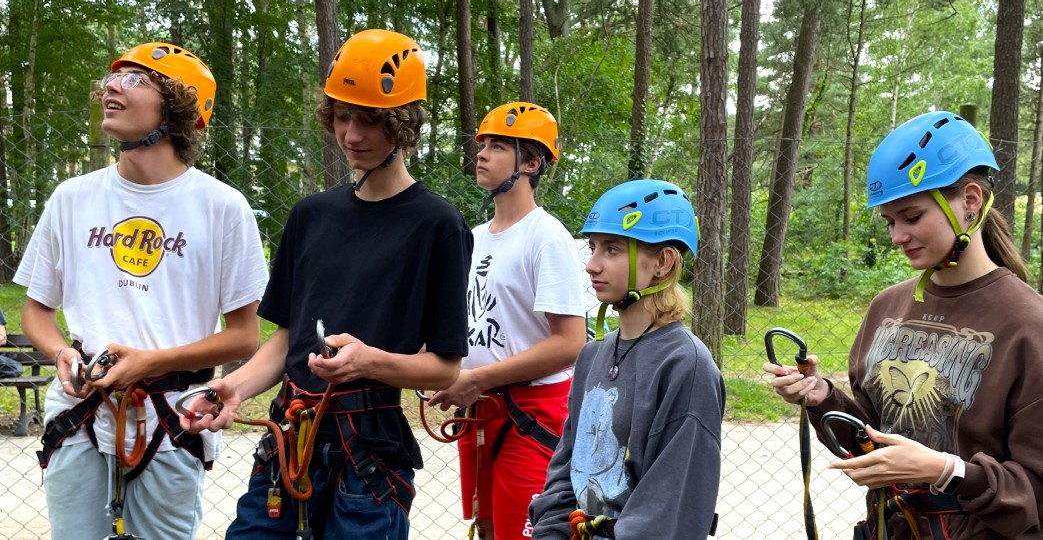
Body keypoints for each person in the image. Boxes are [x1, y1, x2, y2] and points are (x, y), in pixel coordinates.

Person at [181, 29, 473, 540]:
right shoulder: (311, 216)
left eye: (370, 120)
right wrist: (235, 386)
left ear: (402, 125)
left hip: (369, 456)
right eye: (343, 116)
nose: (352, 134)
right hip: (289, 444)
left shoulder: (438, 226)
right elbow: (287, 340)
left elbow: (444, 366)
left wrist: (367, 362)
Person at [14, 42, 268, 540]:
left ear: (177, 106)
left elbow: (244, 337)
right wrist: (60, 351)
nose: (111, 87)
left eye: (134, 80)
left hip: (172, 420)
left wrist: (152, 362)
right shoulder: (72, 198)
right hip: (81, 414)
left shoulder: (221, 207)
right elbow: (36, 312)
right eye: (110, 80)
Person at [764, 110, 1043, 539]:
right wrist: (821, 397)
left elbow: (1034, 494)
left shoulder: (1028, 324)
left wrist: (945, 471)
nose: (897, 236)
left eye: (911, 217)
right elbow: (873, 439)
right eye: (890, 222)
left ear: (969, 200)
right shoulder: (887, 308)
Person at [426, 102, 587, 539]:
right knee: (491, 524)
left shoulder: (547, 237)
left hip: (531, 410)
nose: (481, 154)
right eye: (482, 145)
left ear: (532, 162)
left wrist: (480, 379)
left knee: (524, 531)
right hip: (479, 406)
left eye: (498, 146)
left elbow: (571, 342)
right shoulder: (473, 238)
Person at [529, 179, 725, 539]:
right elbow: (565, 468)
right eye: (593, 248)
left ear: (662, 262)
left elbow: (669, 507)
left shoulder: (686, 366)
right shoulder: (592, 356)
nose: (591, 265)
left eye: (612, 249)